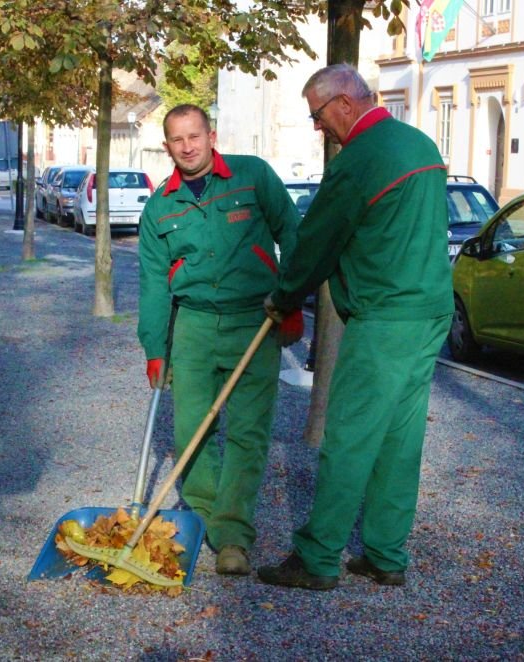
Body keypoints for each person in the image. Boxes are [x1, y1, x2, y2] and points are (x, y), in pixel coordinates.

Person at [257, 64, 453, 590]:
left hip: (385, 316)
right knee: (399, 437)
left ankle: (318, 558)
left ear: (345, 103)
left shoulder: (359, 160)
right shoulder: (419, 144)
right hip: (431, 310)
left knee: (349, 435)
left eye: (318, 115)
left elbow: (317, 242)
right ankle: (387, 555)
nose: (317, 127)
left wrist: (283, 296)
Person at [137, 104, 302, 575]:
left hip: (255, 320)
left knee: (248, 433)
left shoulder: (253, 177)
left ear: (211, 136)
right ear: (167, 146)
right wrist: (155, 348)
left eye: (194, 136)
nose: (187, 147)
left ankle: (232, 537)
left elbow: (293, 234)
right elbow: (153, 283)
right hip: (192, 326)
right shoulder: (160, 207)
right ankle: (211, 520)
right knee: (191, 431)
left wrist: (291, 299)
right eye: (177, 139)